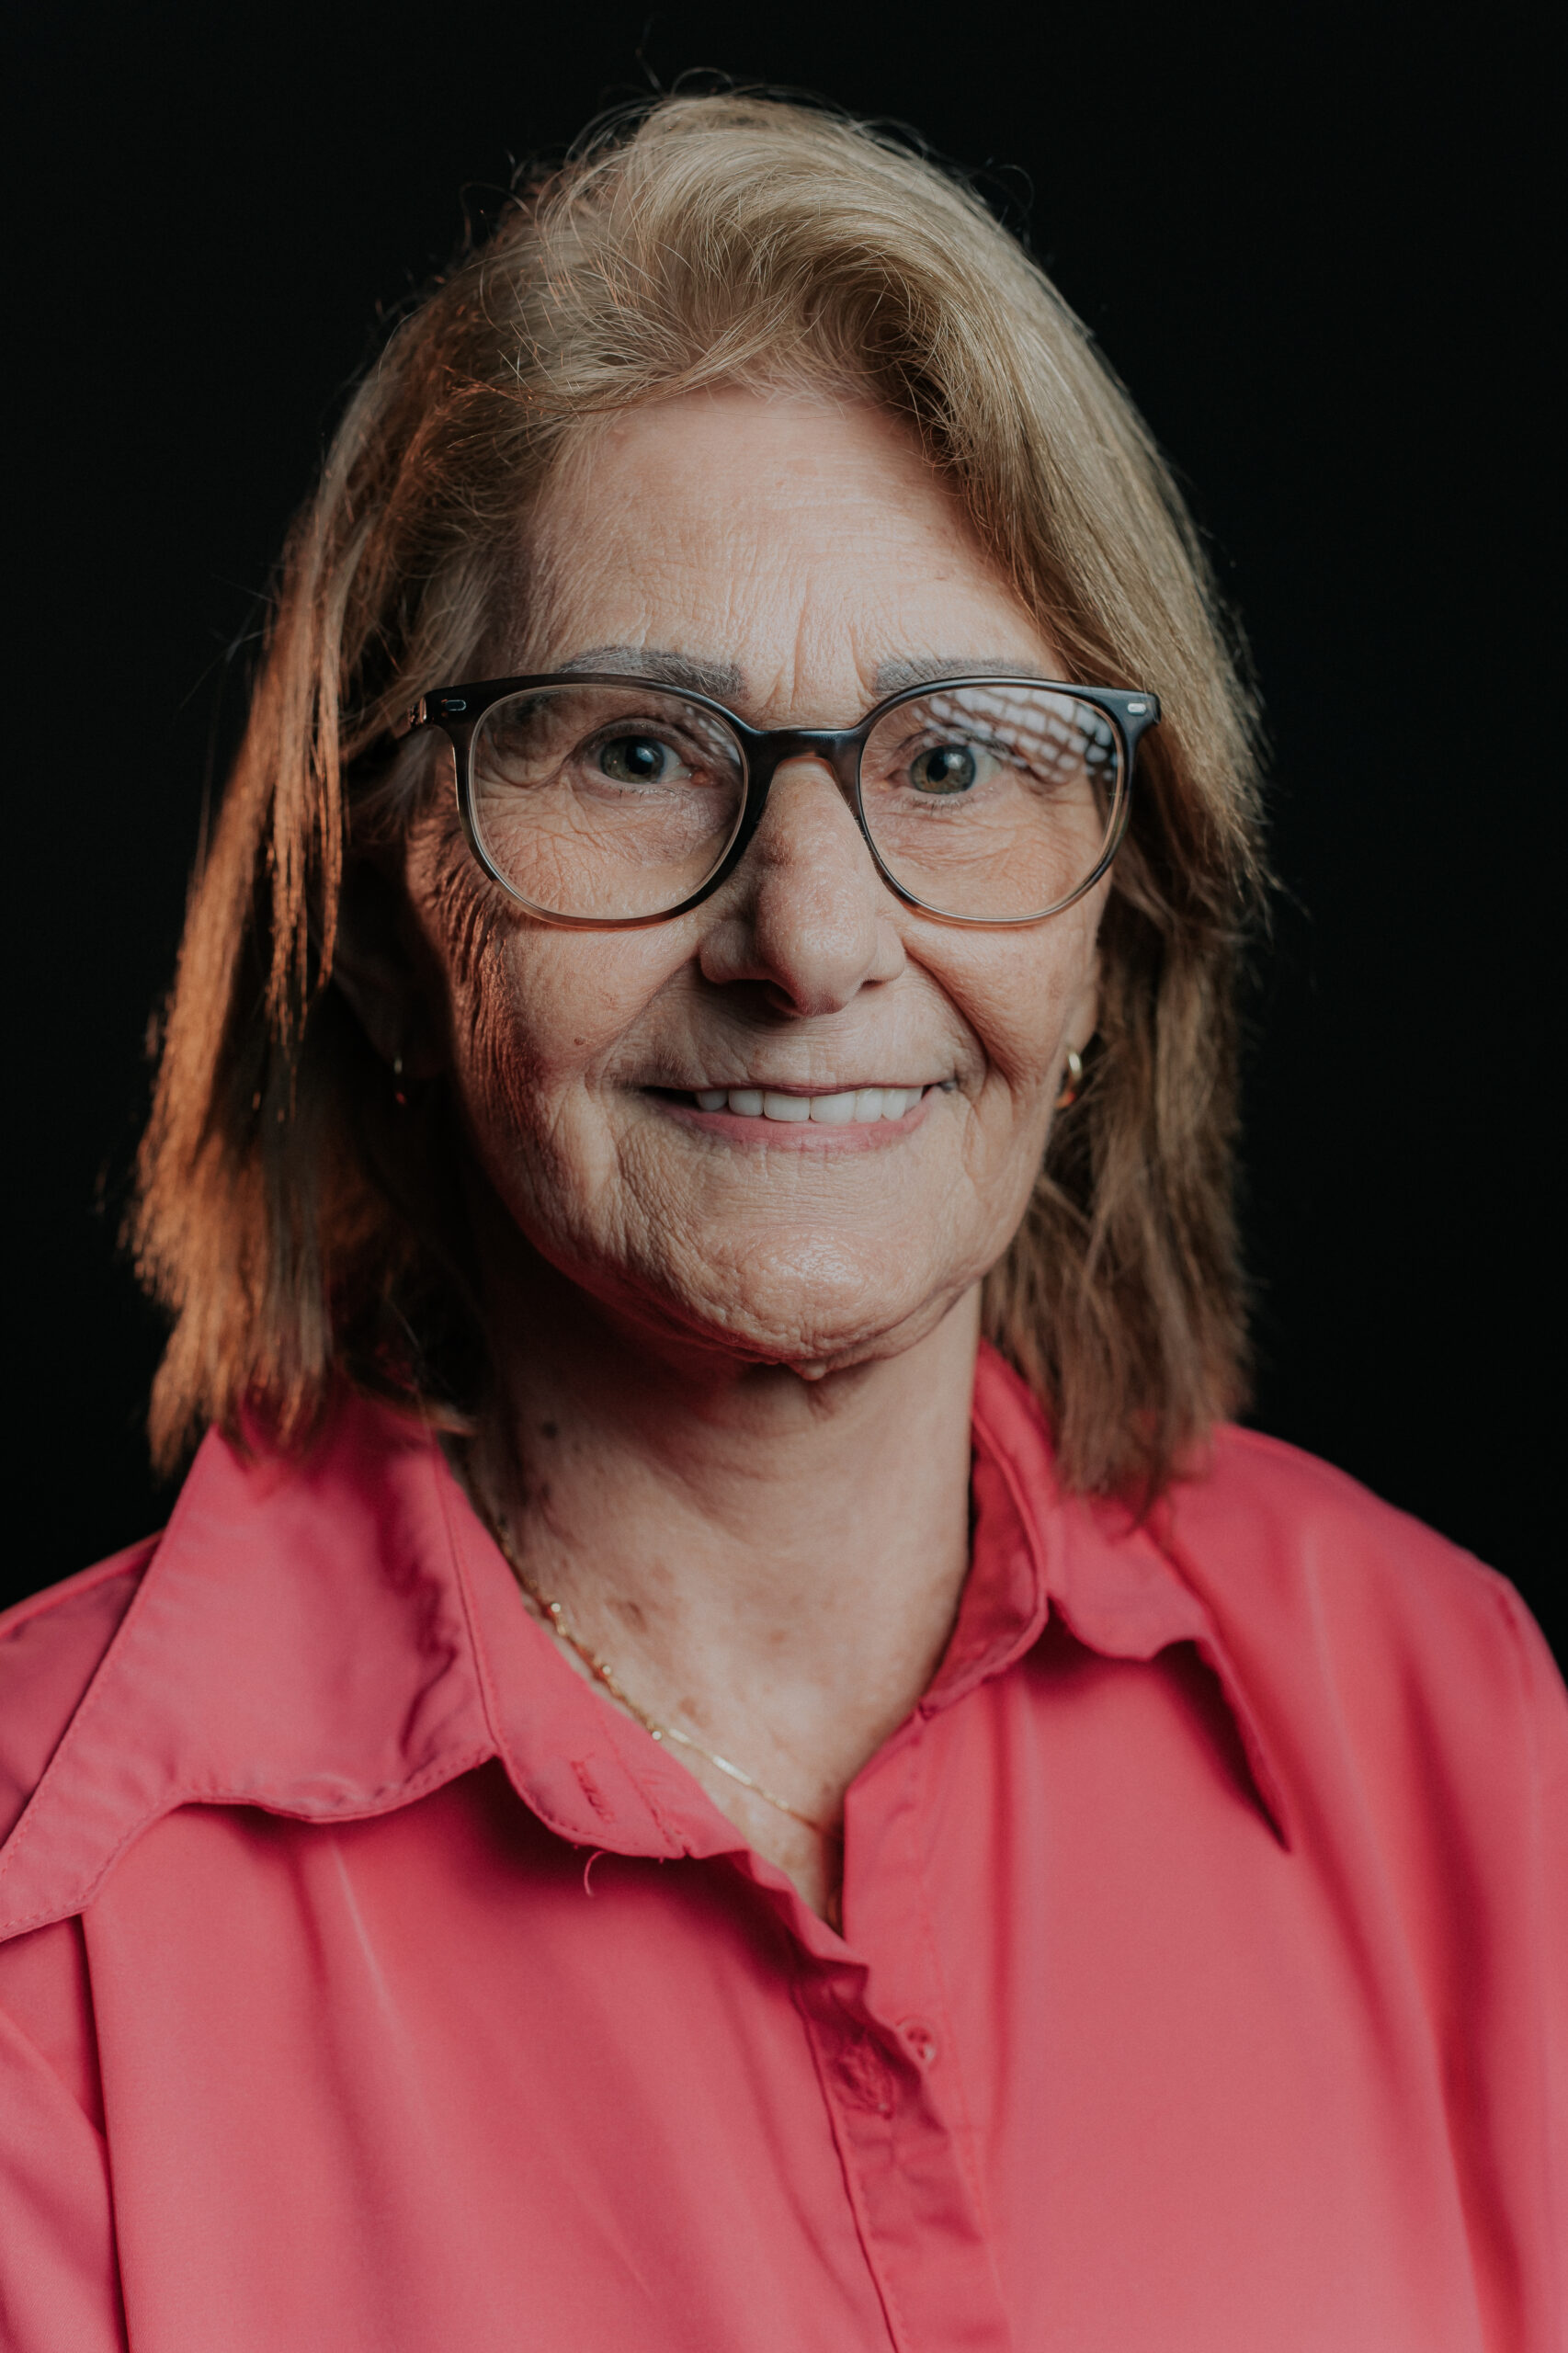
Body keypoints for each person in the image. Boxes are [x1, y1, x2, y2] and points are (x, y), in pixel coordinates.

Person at [0, 92, 1562, 2353]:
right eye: (634, 751)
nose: (813, 941)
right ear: (379, 920)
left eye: (957, 757)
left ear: (1111, 921)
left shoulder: (1439, 1708)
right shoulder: (42, 1939)